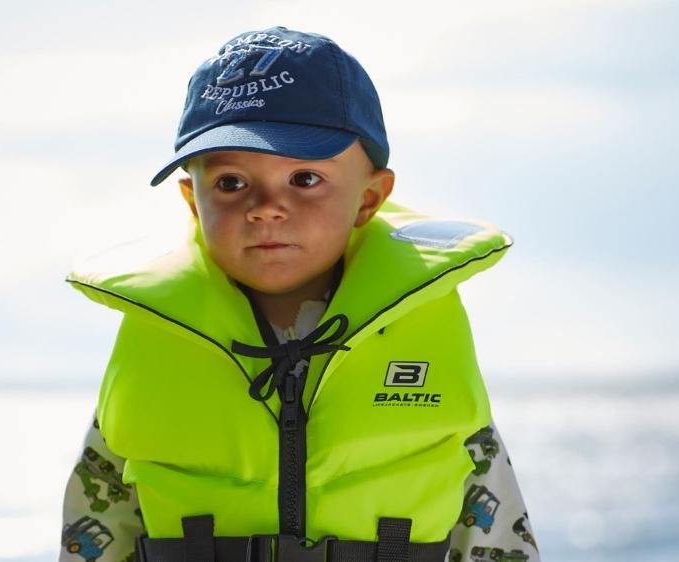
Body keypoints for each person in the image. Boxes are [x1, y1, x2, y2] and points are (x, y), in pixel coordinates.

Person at [60, 25, 540, 562]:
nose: (266, 208)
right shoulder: (161, 332)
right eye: (231, 183)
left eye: (305, 179)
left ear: (369, 198)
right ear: (193, 202)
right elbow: (100, 506)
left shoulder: (423, 323)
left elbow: (493, 518)